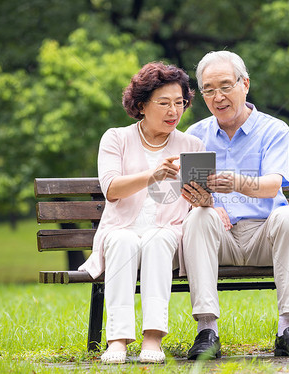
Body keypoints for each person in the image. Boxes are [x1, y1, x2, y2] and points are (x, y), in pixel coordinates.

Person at [180, 51, 289, 359]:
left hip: (264, 236)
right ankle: (207, 331)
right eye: (209, 90)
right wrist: (205, 205)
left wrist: (236, 182)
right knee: (198, 218)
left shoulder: (274, 130)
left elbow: (272, 186)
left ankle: (288, 329)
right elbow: (188, 193)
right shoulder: (195, 135)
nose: (218, 97)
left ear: (245, 84)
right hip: (219, 237)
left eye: (226, 86)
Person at [78, 62, 205, 364]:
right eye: (164, 103)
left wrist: (203, 198)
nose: (174, 111)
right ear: (141, 105)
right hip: (121, 230)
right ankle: (117, 340)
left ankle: (153, 338)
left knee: (157, 240)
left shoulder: (192, 144)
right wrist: (153, 174)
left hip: (167, 235)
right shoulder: (115, 138)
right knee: (124, 242)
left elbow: (199, 201)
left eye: (179, 103)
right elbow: (111, 189)